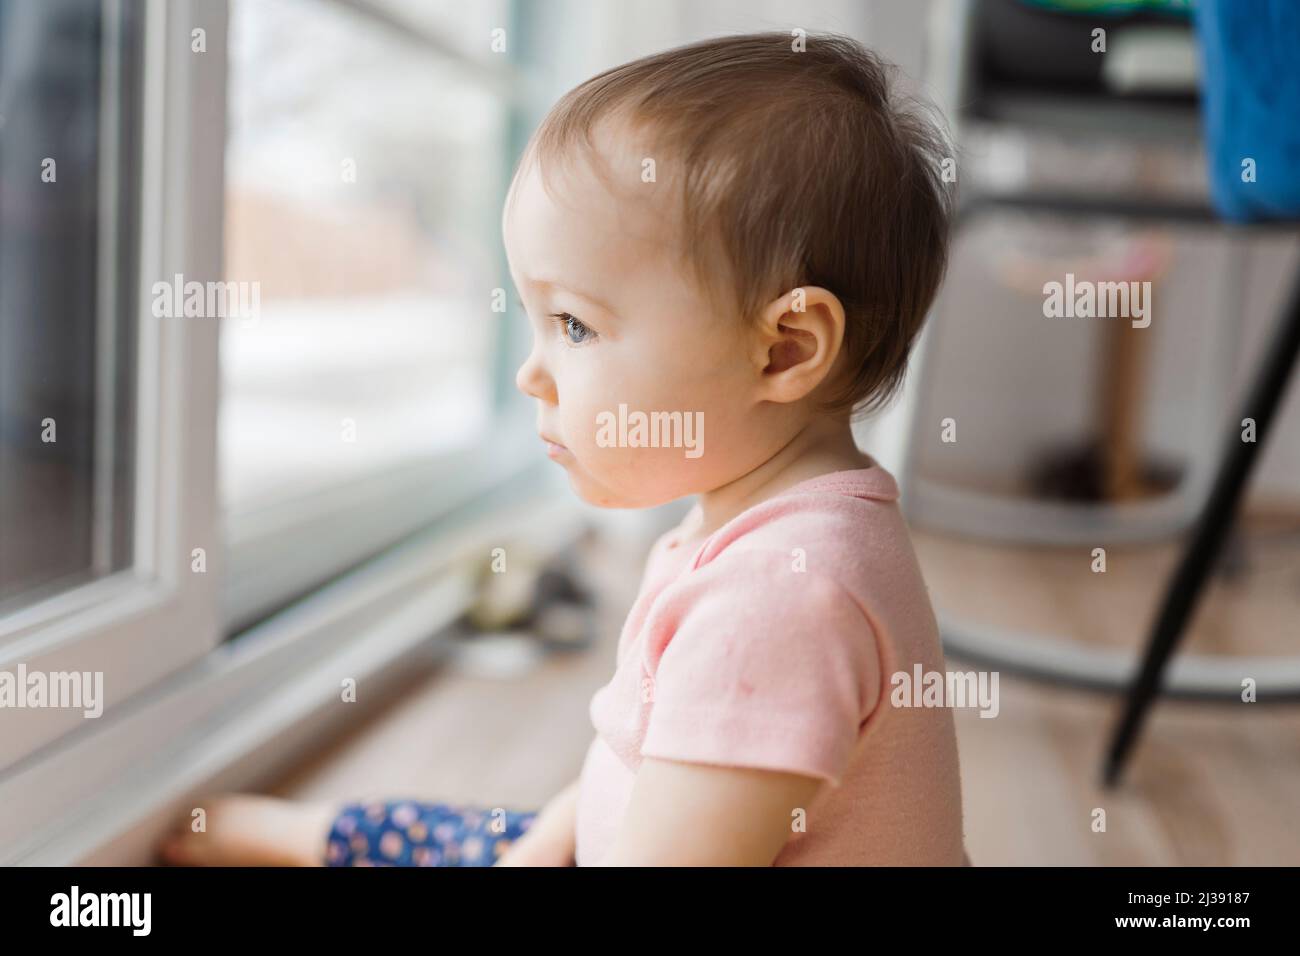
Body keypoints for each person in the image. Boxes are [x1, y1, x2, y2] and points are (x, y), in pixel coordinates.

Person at [161, 31, 970, 867]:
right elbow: (645, 762)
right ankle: (311, 838)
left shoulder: (778, 602)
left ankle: (314, 842)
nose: (530, 376)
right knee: (493, 835)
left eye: (575, 325)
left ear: (785, 351)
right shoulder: (782, 530)